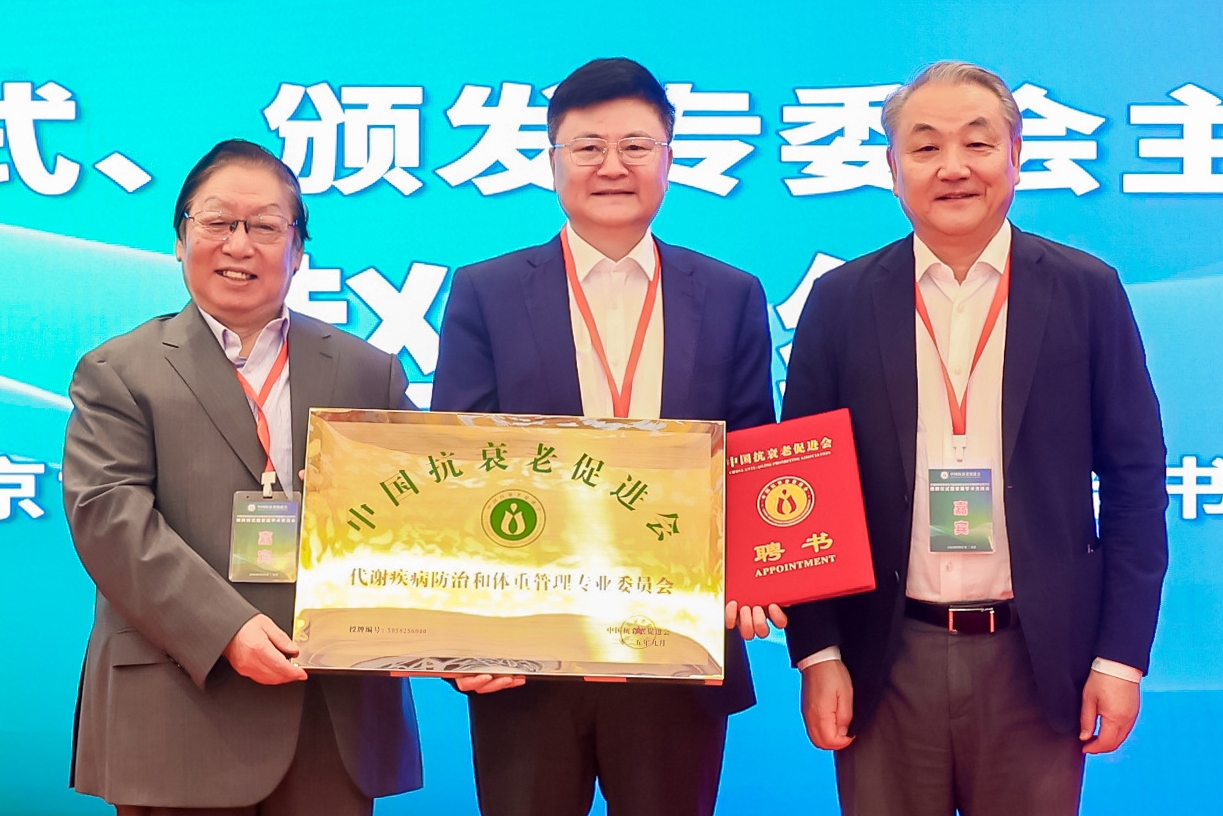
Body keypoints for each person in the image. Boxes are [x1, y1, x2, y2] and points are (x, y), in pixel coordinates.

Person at [780, 61, 1168, 816]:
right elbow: (803, 491)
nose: (952, 167)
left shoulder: (1085, 290)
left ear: (1015, 157)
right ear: (892, 169)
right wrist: (817, 652)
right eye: (925, 147)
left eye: (977, 143)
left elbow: (1135, 480)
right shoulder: (841, 300)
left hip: (1039, 661)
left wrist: (1120, 658)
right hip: (884, 657)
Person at [431, 57, 775, 816]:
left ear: (669, 159)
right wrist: (463, 633)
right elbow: (458, 468)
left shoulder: (730, 294)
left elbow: (754, 454)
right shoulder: (487, 291)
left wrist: (761, 569)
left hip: (675, 653)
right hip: (525, 658)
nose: (612, 166)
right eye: (588, 147)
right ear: (552, 160)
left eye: (635, 146)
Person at [62, 139, 422, 815]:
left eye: (264, 226)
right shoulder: (119, 371)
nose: (239, 244)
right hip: (177, 709)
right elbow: (110, 519)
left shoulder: (367, 371)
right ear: (179, 239)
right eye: (218, 222)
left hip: (328, 715)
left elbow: (422, 514)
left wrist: (462, 635)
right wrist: (224, 628)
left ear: (298, 249)